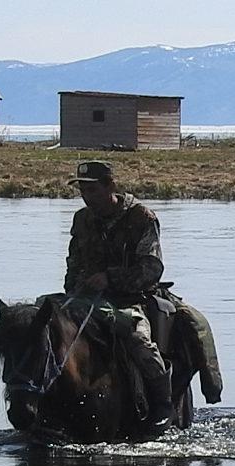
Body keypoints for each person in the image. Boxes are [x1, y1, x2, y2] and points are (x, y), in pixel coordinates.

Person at [64, 160, 174, 431]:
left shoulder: (141, 218)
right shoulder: (82, 219)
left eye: (93, 191)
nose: (87, 197)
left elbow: (152, 268)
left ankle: (163, 405)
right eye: (83, 191)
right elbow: (73, 262)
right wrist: (73, 291)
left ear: (110, 186)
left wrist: (111, 278)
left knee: (139, 342)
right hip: (85, 299)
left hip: (131, 299)